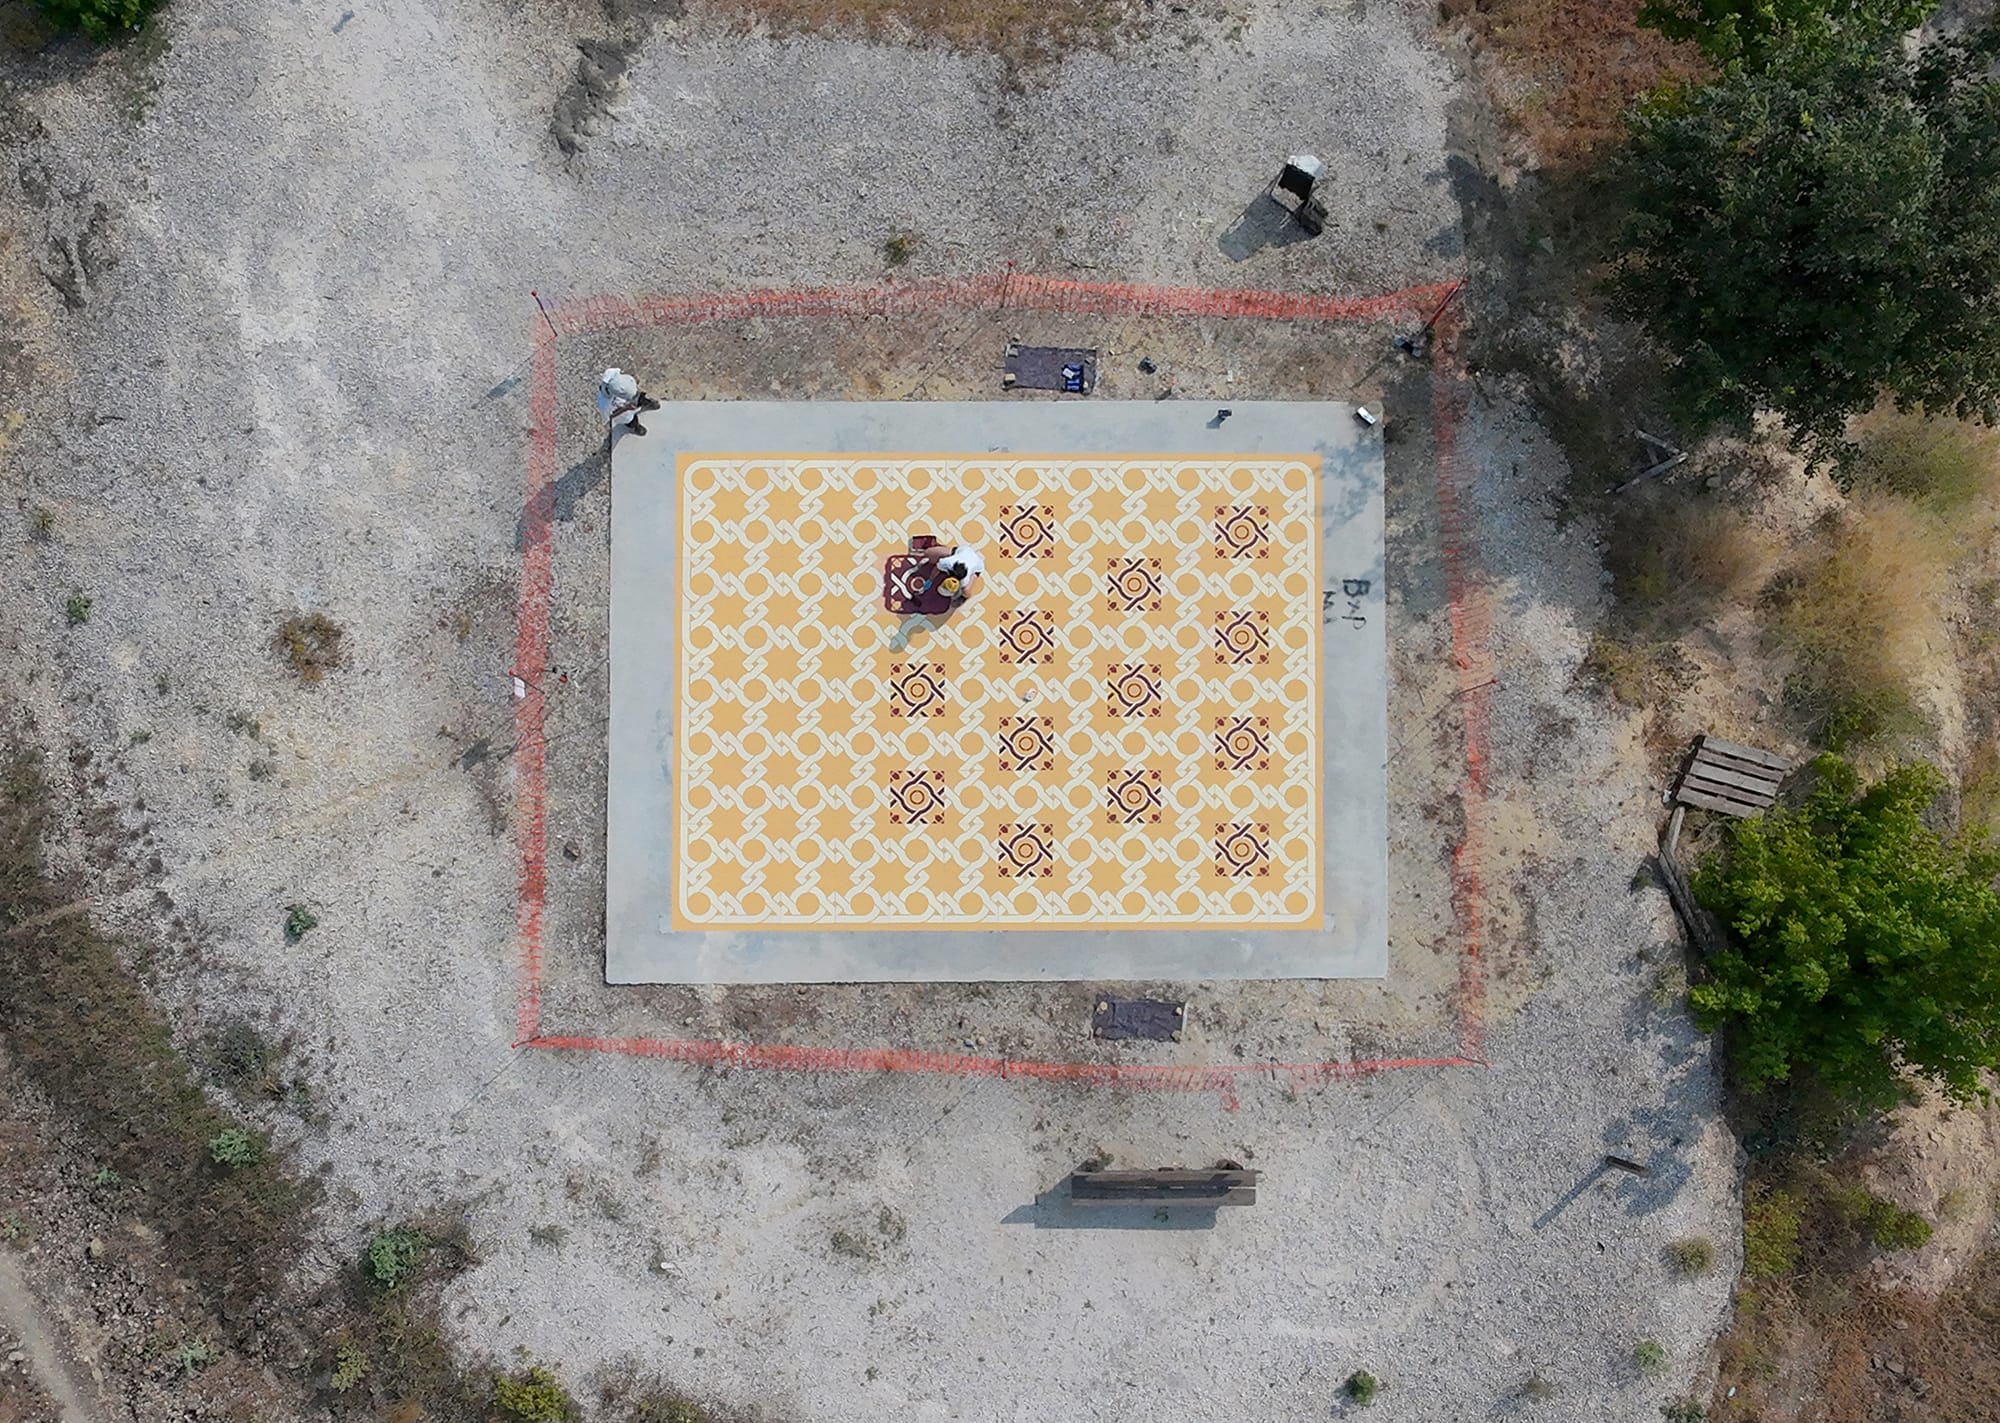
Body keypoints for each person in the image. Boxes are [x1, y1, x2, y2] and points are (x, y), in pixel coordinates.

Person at [595, 367, 660, 437]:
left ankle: (646, 402)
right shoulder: (604, 405)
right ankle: (636, 426)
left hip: (629, 402)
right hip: (624, 413)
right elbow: (611, 416)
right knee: (630, 420)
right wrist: (626, 408)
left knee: (640, 397)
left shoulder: (611, 374)